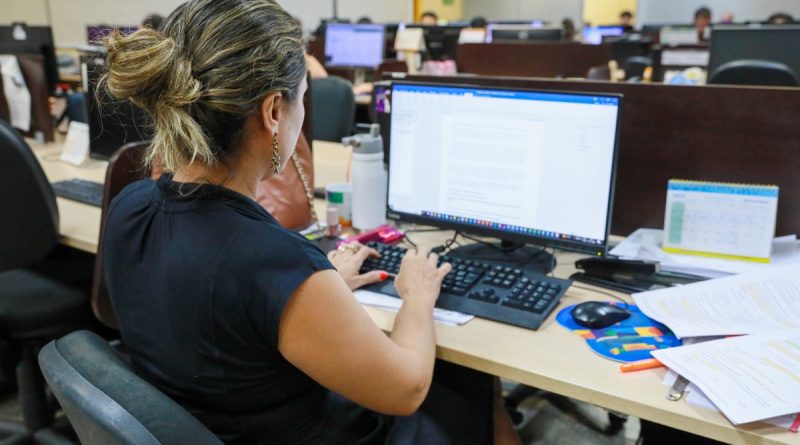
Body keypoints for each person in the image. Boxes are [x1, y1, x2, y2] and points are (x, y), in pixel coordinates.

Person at [100, 0, 522, 444]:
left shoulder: (130, 205)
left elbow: (218, 303)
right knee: (472, 386)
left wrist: (318, 290)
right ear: (273, 112)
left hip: (212, 425)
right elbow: (407, 390)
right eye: (302, 96)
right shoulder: (269, 260)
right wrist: (417, 296)